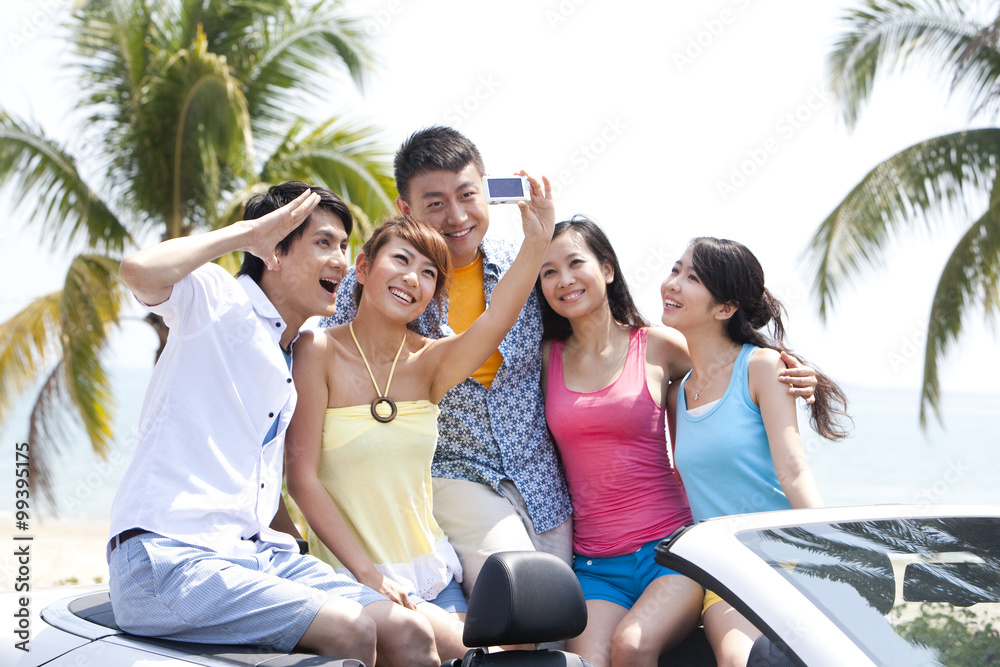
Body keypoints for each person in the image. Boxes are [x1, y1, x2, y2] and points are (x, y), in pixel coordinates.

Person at [107, 182, 439, 666]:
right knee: (350, 629)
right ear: (273, 251)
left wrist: (315, 553)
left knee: (409, 633)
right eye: (323, 243)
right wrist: (246, 233)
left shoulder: (300, 345)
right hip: (167, 559)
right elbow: (137, 270)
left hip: (255, 555)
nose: (341, 262)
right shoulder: (218, 300)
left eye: (344, 247)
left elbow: (264, 481)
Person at [286, 173, 555, 663]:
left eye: (430, 273)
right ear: (363, 267)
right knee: (454, 652)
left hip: (432, 573)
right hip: (354, 577)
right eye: (402, 260)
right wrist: (369, 576)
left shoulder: (430, 362)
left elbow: (497, 319)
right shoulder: (316, 350)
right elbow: (301, 479)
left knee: (503, 649)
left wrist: (537, 240)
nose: (414, 278)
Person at [536, 217, 818, 667]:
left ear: (607, 269)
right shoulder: (544, 356)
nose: (564, 279)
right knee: (589, 663)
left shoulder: (659, 346)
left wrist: (796, 374)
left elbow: (726, 368)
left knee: (632, 645)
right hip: (594, 563)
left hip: (671, 547)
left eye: (575, 263)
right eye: (548, 271)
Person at [323, 127, 573, 597]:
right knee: (522, 599)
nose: (456, 217)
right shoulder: (382, 286)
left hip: (541, 483)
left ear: (487, 190)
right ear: (406, 210)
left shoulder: (527, 266)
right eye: (435, 203)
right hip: (451, 477)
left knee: (552, 622)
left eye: (467, 195)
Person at [663, 237, 850, 667]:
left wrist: (833, 548)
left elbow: (793, 471)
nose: (673, 283)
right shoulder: (677, 394)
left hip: (788, 556)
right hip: (726, 571)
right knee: (738, 660)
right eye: (675, 270)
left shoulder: (761, 367)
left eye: (691, 277)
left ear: (725, 308)